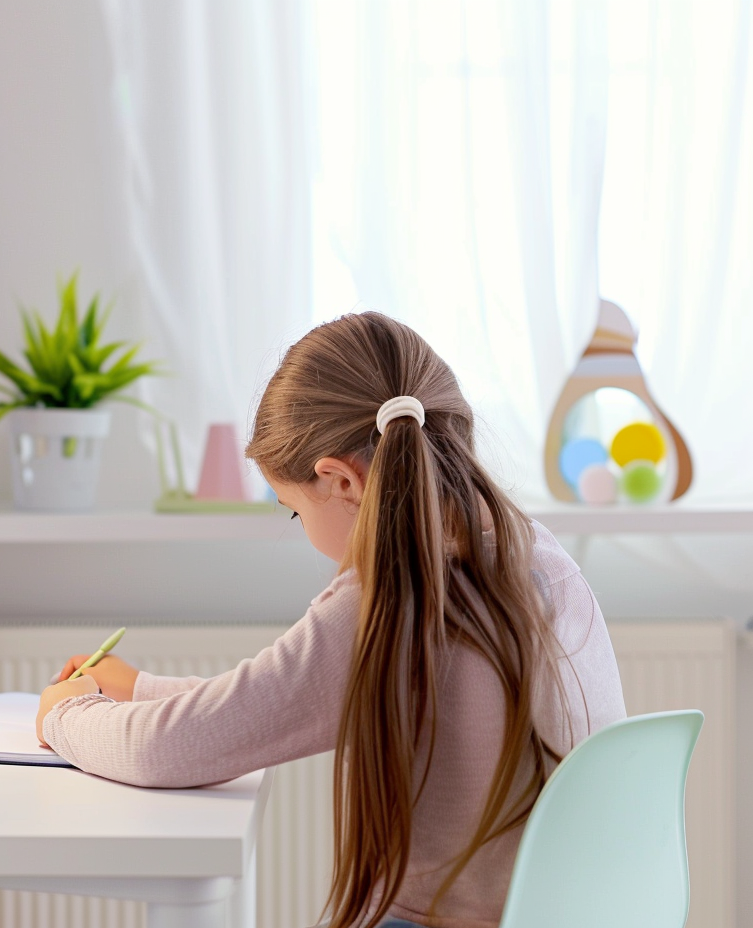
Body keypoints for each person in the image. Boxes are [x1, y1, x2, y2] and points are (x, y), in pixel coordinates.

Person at [35, 312, 625, 928]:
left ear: (340, 479)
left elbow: (168, 750)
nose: (303, 530)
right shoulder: (540, 559)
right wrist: (142, 689)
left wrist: (65, 714)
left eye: (294, 511)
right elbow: (267, 699)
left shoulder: (392, 601)